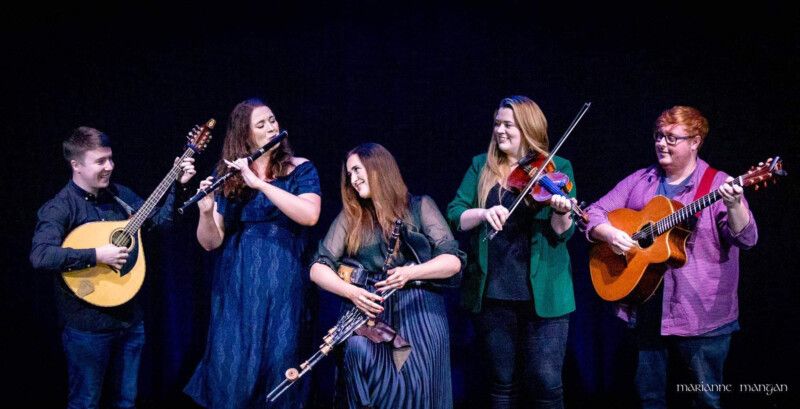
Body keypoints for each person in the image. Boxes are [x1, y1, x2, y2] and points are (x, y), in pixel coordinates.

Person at [582, 106, 758, 408]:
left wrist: (734, 205)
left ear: (695, 141)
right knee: (649, 399)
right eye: (658, 136)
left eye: (672, 138)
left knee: (705, 401)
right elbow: (593, 213)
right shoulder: (642, 180)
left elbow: (746, 239)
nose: (662, 144)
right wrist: (610, 235)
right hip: (647, 308)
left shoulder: (717, 184)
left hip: (702, 315)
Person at [30, 126, 197, 408]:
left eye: (110, 158)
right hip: (87, 327)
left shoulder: (121, 196)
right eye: (100, 161)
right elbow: (41, 256)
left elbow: (160, 224)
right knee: (86, 402)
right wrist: (96, 254)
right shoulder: (60, 207)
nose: (109, 167)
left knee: (125, 401)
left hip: (130, 320)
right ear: (76, 165)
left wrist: (178, 186)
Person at [183, 98, 321, 409]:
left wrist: (259, 183)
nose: (272, 127)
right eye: (261, 125)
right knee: (231, 367)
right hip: (237, 285)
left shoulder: (301, 169)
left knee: (279, 362)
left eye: (272, 120)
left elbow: (309, 215)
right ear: (245, 136)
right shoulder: (228, 175)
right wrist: (205, 212)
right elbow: (210, 242)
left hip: (283, 281)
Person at [310, 142, 464, 409]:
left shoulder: (419, 206)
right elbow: (317, 268)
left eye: (358, 170)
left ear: (378, 167)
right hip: (375, 318)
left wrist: (411, 272)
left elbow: (452, 261)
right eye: (349, 175)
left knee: (418, 392)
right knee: (359, 354)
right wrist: (352, 292)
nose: (353, 180)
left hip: (419, 313)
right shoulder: (352, 218)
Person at [446, 95, 577, 409]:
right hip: (494, 293)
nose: (499, 131)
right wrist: (482, 213)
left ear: (528, 128)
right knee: (502, 385)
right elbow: (454, 214)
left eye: (508, 125)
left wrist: (561, 211)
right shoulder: (482, 165)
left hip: (545, 294)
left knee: (546, 382)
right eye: (497, 124)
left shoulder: (557, 167)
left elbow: (563, 233)